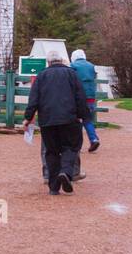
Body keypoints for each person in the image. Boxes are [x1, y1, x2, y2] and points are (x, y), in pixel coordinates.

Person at [23, 51, 90, 196]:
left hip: (47, 120)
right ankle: (66, 172)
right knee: (71, 147)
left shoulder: (41, 76)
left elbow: (33, 98)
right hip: (69, 119)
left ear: (48, 62)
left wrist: (28, 117)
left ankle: (54, 187)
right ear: (62, 61)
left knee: (52, 151)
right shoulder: (72, 74)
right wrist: (83, 116)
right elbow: (80, 96)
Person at [70, 49, 101, 153]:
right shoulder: (91, 66)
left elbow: (70, 80)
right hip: (91, 96)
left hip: (78, 97)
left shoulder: (73, 66)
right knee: (88, 119)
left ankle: (75, 145)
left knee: (75, 120)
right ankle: (94, 139)